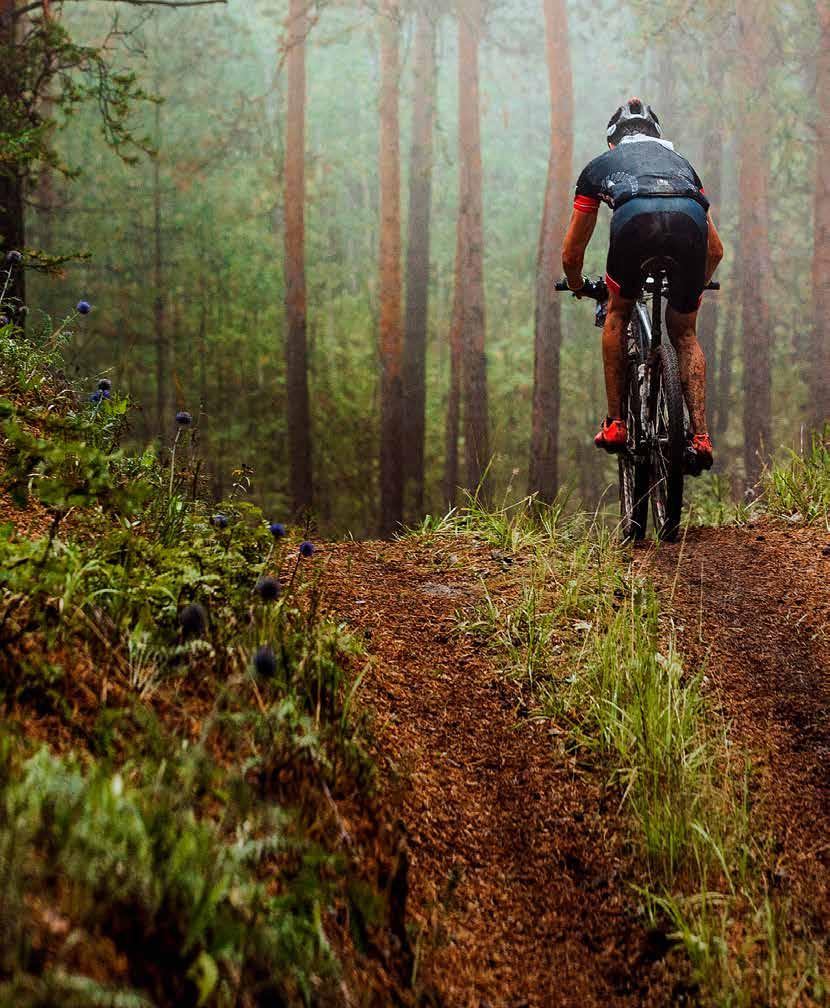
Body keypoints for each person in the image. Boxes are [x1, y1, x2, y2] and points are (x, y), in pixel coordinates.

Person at [561, 97, 724, 469]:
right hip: (689, 224)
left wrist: (576, 284)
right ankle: (699, 436)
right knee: (684, 334)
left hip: (634, 221)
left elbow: (572, 252)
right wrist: (696, 286)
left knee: (618, 312)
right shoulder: (683, 166)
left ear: (612, 141)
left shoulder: (599, 167)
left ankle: (616, 423)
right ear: (657, 137)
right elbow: (715, 250)